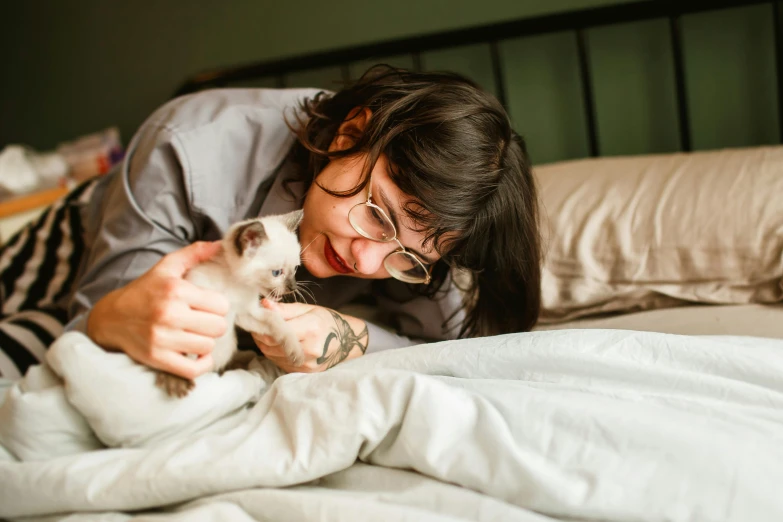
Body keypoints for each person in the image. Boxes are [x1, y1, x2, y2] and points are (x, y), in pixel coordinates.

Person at [0, 65, 541, 380]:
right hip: (71, 248)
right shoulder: (188, 147)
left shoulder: (425, 235)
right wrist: (108, 318)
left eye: (409, 258)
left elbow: (453, 356)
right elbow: (98, 320)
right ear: (349, 134)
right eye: (376, 215)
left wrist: (355, 337)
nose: (366, 260)